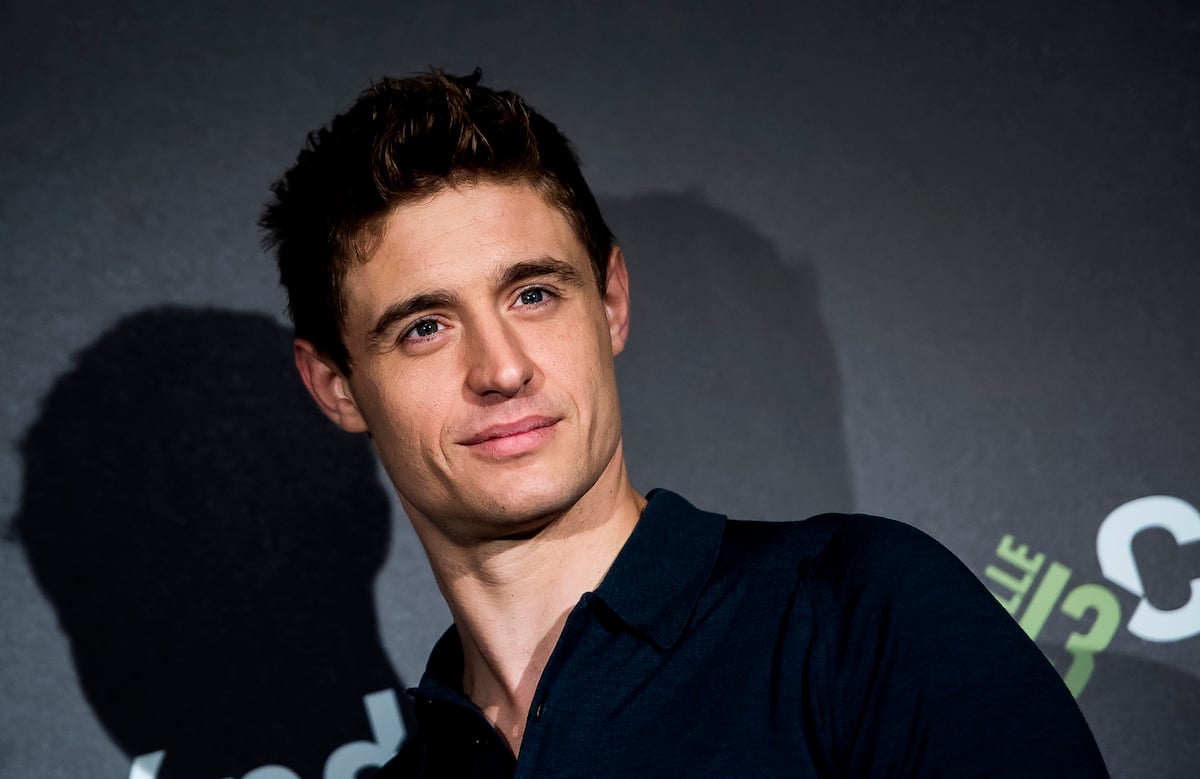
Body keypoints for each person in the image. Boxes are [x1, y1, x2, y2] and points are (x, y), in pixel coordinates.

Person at [260, 69, 1108, 778]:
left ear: (612, 303)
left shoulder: (855, 614)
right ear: (336, 385)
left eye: (535, 294)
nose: (503, 369)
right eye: (424, 327)